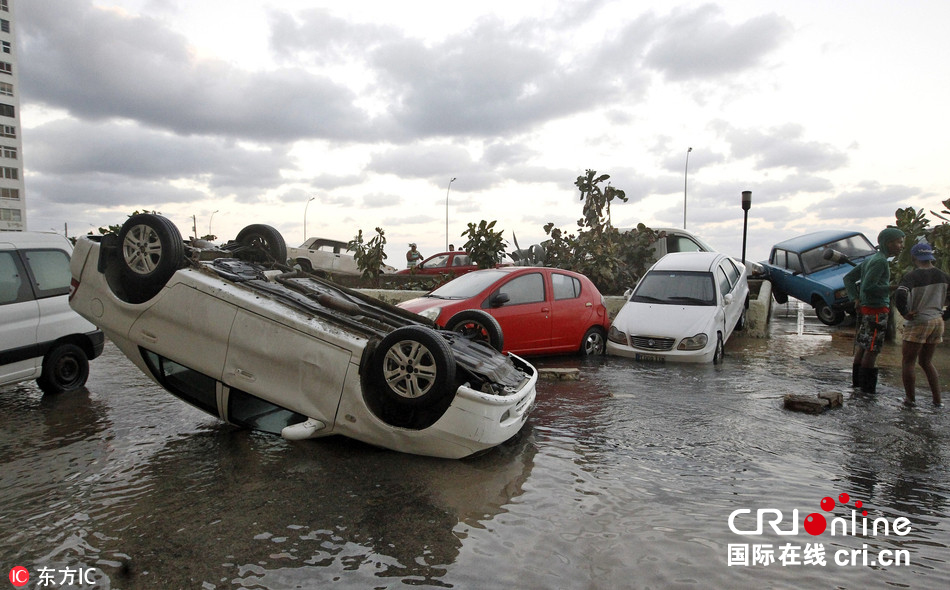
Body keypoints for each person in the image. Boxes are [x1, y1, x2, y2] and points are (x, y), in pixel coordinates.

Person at [843, 227, 905, 393]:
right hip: (877, 311)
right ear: (889, 243)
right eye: (899, 242)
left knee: (864, 346)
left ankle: (857, 387)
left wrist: (855, 298)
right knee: (872, 349)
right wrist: (893, 287)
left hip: (866, 310)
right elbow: (870, 287)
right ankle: (867, 392)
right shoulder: (880, 261)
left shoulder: (873, 259)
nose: (901, 246)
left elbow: (848, 279)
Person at [895, 242, 948, 406]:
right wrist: (944, 316)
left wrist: (904, 313)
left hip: (919, 320)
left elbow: (900, 293)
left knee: (908, 362)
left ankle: (910, 400)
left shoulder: (912, 276)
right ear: (931, 257)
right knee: (926, 362)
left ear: (914, 257)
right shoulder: (943, 276)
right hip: (937, 322)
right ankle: (937, 401)